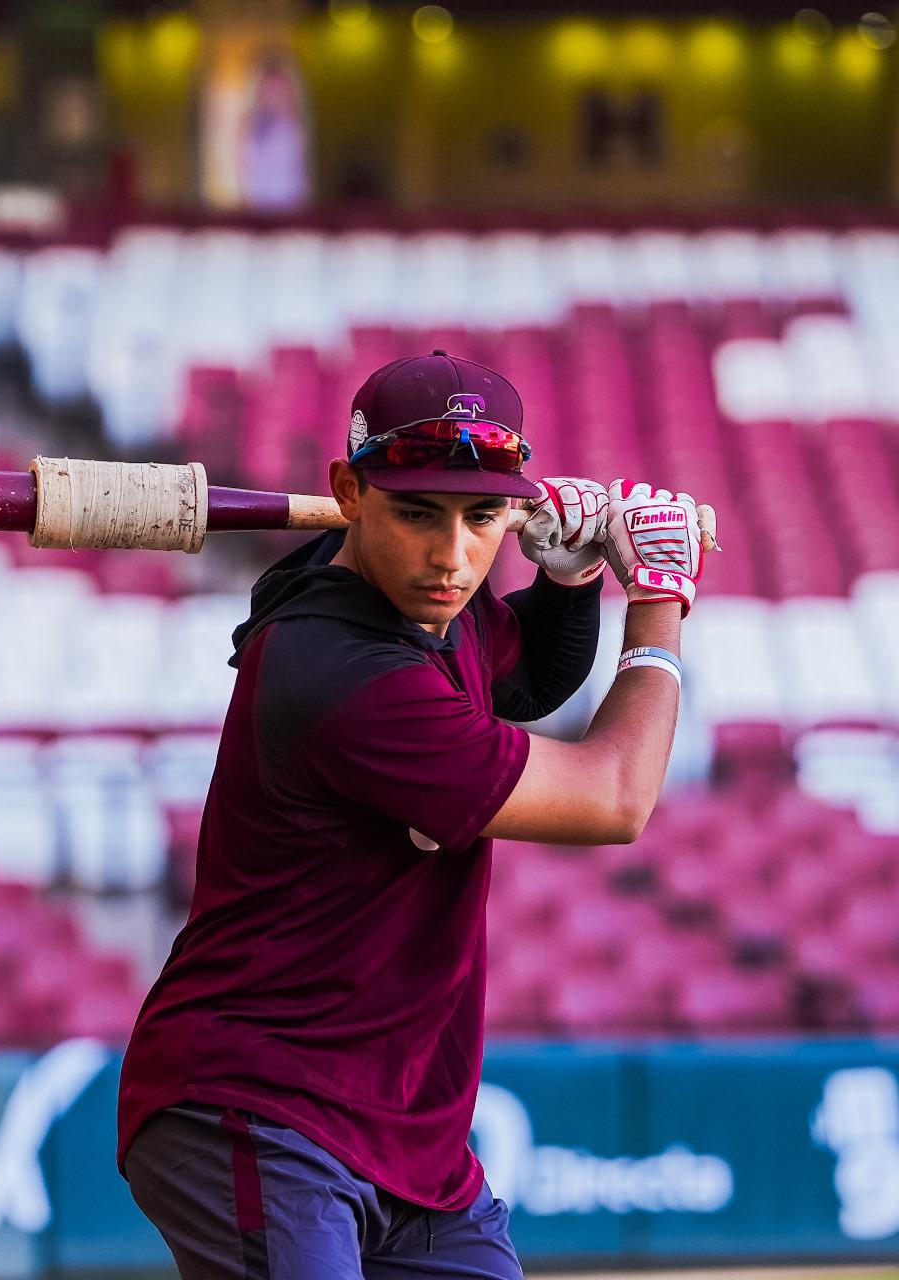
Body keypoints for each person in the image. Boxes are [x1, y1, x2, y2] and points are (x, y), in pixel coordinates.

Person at [118, 350, 705, 1278]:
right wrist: (660, 602)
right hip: (260, 1104)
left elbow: (524, 679)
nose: (452, 557)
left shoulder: (428, 611)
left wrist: (568, 581)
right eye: (418, 514)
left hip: (409, 1140)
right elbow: (615, 797)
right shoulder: (345, 674)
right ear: (348, 492)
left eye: (482, 518)